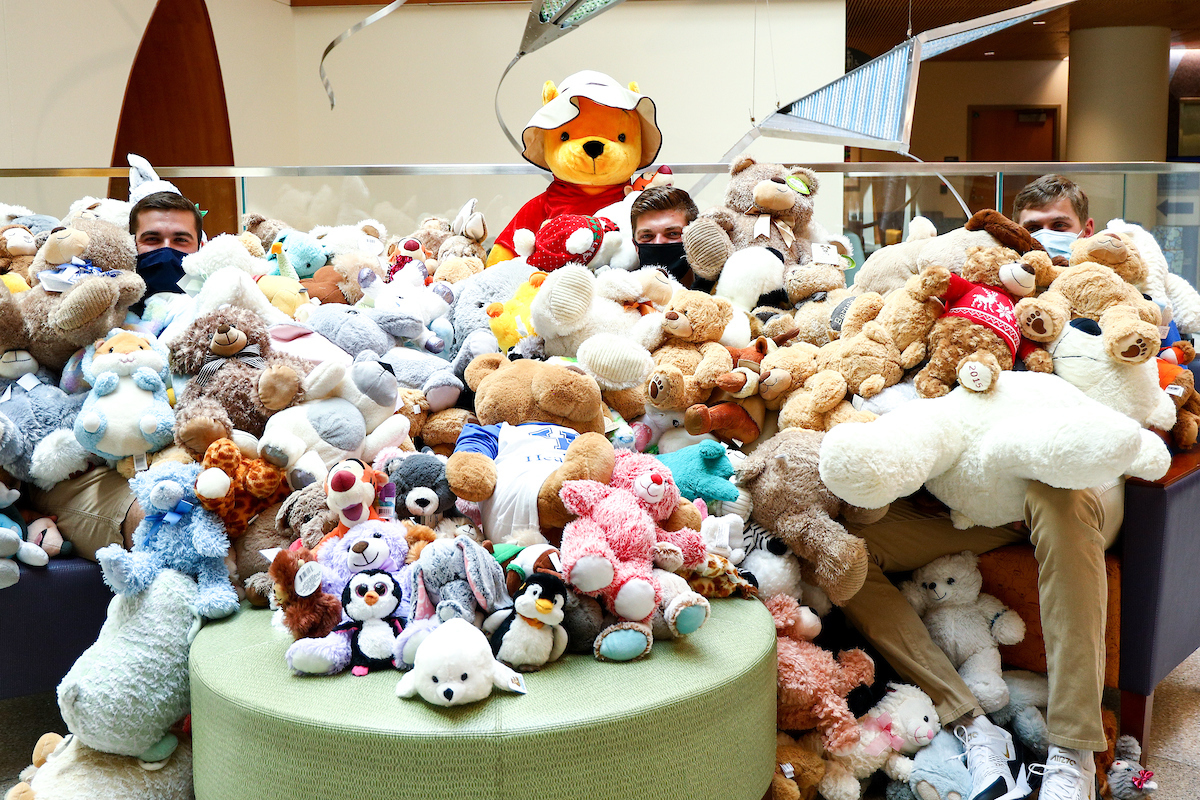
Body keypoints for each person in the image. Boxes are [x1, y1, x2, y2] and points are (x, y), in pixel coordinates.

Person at [841, 173, 1121, 800]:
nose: (1045, 239)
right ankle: (968, 719)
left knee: (1058, 491)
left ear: (1087, 233)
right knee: (842, 548)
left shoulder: (1105, 291)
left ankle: (1073, 746)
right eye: (1034, 227)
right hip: (975, 499)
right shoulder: (979, 294)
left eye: (1060, 225)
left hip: (1076, 481)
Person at [128, 190, 204, 315]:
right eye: (152, 239)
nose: (166, 252)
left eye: (180, 240)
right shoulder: (111, 310)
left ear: (200, 248)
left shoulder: (217, 304)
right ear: (131, 243)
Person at [1012, 174, 1095, 260]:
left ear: (1087, 231)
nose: (1045, 240)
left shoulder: (1104, 273)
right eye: (1032, 228)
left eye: (1059, 225)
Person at [630, 185, 699, 287]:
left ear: (695, 239)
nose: (658, 242)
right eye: (647, 236)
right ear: (635, 246)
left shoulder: (719, 294)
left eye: (673, 234)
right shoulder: (621, 298)